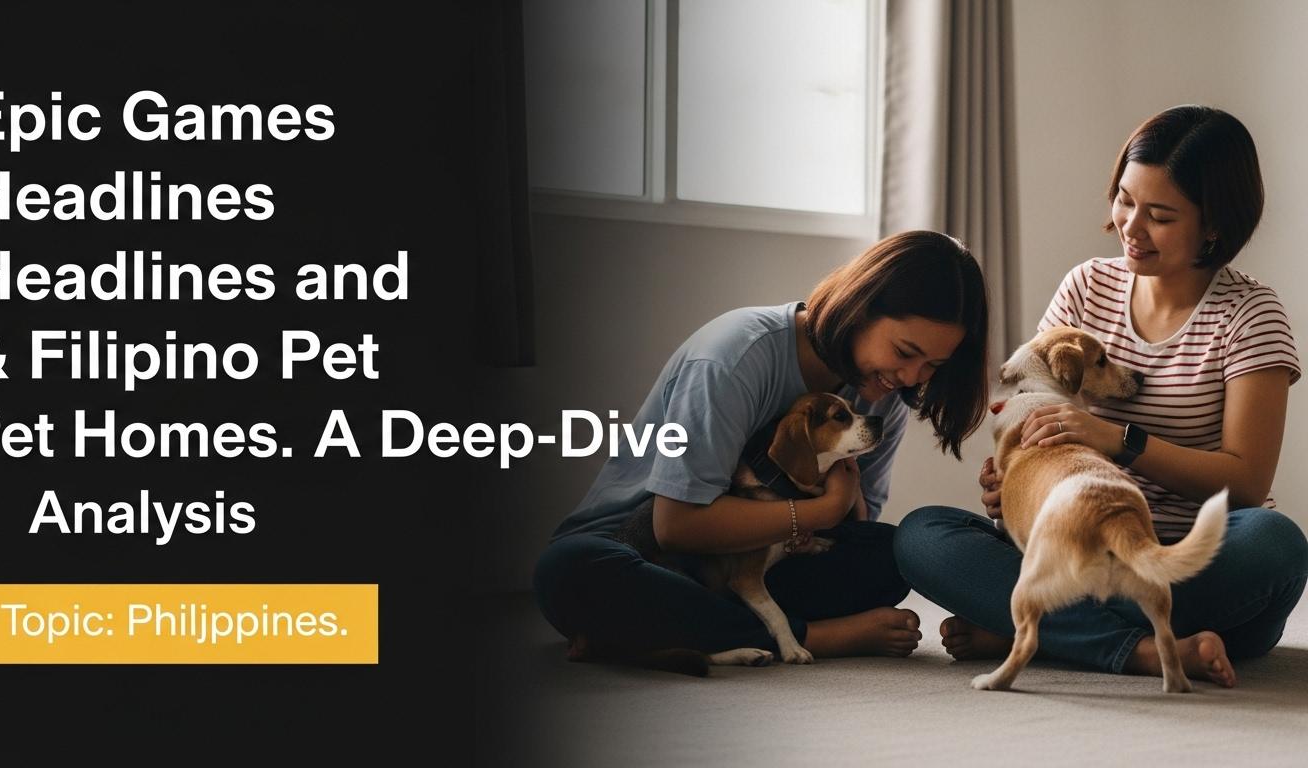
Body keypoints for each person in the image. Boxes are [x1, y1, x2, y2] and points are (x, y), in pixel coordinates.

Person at [895, 105, 1307, 687]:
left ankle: (1034, 627)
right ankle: (1136, 647)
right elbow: (1026, 408)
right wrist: (1013, 482)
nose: (1130, 227)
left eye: (1159, 215)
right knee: (921, 533)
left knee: (1276, 543)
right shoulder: (1087, 286)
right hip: (1073, 541)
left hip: (1184, 557)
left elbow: (1245, 485)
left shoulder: (1250, 314)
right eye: (1124, 199)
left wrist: (1120, 441)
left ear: (1214, 225)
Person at [534, 230, 989, 661]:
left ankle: (657, 633)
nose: (910, 377)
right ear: (860, 308)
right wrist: (821, 511)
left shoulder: (881, 393)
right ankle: (814, 637)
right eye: (905, 352)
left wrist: (836, 514)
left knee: (891, 554)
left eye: (932, 365)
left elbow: (853, 527)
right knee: (569, 570)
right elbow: (674, 526)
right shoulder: (734, 357)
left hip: (763, 564)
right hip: (645, 553)